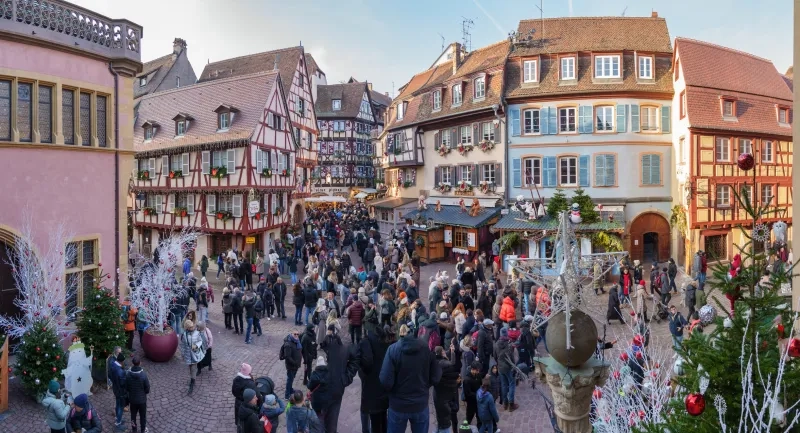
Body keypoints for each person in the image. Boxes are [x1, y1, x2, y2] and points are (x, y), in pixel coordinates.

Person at [379, 324, 442, 433]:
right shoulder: (425, 348)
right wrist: (425, 385)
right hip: (420, 404)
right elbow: (436, 376)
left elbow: (385, 380)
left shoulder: (392, 350)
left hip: (398, 405)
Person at [359, 325, 392, 433]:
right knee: (383, 417)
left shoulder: (366, 342)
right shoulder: (385, 344)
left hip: (372, 391)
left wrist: (362, 373)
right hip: (384, 389)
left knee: (375, 422)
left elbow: (367, 363)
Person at [433, 344, 459, 433]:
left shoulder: (435, 360)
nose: (445, 352)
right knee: (444, 424)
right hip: (444, 399)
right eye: (443, 351)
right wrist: (452, 352)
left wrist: (450, 350)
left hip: (439, 395)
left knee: (440, 422)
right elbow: (452, 362)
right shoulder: (443, 363)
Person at [180, 319, 207, 395]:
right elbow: (183, 345)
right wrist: (182, 354)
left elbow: (200, 341)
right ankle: (193, 378)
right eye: (190, 327)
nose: (192, 328)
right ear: (187, 328)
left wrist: (197, 346)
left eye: (192, 326)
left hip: (195, 354)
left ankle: (192, 381)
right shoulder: (184, 334)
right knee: (190, 367)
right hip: (188, 354)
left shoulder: (197, 333)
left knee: (193, 368)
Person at [495, 327, 518, 411]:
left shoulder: (497, 344)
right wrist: (514, 367)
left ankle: (505, 403)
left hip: (500, 367)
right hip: (508, 367)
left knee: (504, 385)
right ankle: (511, 404)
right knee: (512, 384)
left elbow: (495, 356)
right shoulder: (509, 344)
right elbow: (512, 358)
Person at [125, 356, 150, 433]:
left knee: (133, 416)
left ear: (133, 363)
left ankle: (134, 430)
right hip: (142, 400)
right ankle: (143, 430)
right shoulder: (143, 375)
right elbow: (147, 388)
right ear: (140, 363)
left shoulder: (128, 375)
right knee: (143, 417)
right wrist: (143, 393)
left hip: (132, 400)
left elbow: (127, 388)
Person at [280, 330, 303, 400]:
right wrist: (295, 363)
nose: (296, 335)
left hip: (296, 365)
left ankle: (290, 390)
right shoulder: (288, 344)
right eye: (295, 334)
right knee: (289, 380)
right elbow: (287, 357)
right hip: (291, 366)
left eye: (297, 334)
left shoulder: (297, 341)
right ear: (291, 334)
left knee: (292, 379)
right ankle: (287, 395)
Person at [463, 361, 484, 428]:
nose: (478, 372)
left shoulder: (478, 375)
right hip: (471, 402)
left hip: (478, 401)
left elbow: (481, 384)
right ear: (472, 369)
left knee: (479, 416)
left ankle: (480, 428)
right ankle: (465, 430)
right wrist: (478, 395)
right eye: (477, 370)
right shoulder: (467, 380)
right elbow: (468, 393)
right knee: (469, 417)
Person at [110, 352, 127, 429]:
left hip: (115, 389)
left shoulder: (113, 364)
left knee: (117, 404)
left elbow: (110, 376)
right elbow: (123, 383)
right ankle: (118, 423)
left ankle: (117, 418)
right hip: (120, 391)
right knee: (121, 406)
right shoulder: (120, 371)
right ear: (121, 361)